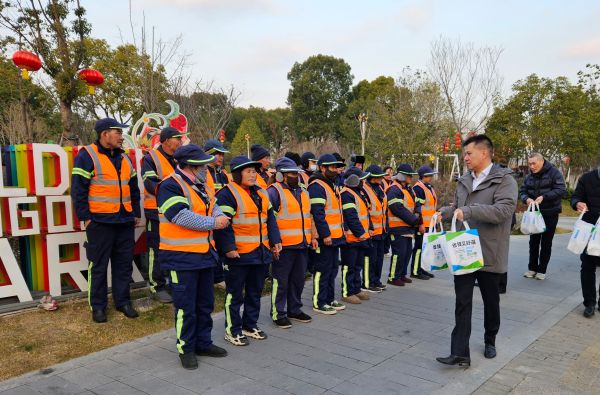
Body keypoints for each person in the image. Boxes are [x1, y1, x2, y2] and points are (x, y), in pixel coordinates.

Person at [436, 135, 517, 367]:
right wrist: (444, 212)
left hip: (490, 251)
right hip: (463, 251)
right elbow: (457, 207)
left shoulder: (504, 180)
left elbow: (503, 211)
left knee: (491, 301)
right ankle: (459, 351)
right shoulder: (463, 180)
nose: (465, 158)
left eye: (469, 153)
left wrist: (470, 211)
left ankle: (490, 339)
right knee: (462, 301)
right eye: (465, 154)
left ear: (484, 153)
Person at [156, 144, 230, 370]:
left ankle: (203, 343)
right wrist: (214, 223)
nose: (207, 167)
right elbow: (180, 216)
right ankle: (186, 349)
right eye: (203, 164)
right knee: (186, 307)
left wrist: (219, 216)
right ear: (190, 165)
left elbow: (214, 206)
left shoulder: (201, 185)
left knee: (205, 304)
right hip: (181, 258)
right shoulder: (170, 185)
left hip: (204, 255)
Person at [71, 118, 141, 323]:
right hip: (100, 223)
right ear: (104, 134)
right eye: (117, 132)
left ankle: (123, 302)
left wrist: (135, 212)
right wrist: (86, 218)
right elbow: (78, 190)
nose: (121, 136)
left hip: (124, 221)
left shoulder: (125, 158)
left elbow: (133, 188)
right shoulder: (87, 155)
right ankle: (98, 307)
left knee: (123, 265)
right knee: (99, 266)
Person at [214, 156, 282, 346]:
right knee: (235, 294)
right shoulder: (227, 194)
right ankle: (232, 330)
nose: (253, 175)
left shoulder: (261, 193)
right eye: (248, 171)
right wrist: (228, 248)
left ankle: (249, 325)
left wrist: (275, 241)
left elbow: (270, 219)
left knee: (255, 292)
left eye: (254, 171)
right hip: (239, 254)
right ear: (237, 174)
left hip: (260, 252)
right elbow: (223, 224)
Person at [267, 157, 315, 328]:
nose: (297, 176)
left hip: (302, 244)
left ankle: (294, 309)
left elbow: (309, 217)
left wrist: (313, 237)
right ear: (282, 175)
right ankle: (278, 313)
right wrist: (274, 243)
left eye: (297, 173)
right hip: (284, 247)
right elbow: (269, 220)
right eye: (293, 174)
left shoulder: (303, 191)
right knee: (281, 281)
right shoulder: (274, 192)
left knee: (298, 280)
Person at [141, 127, 183, 303]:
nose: (180, 142)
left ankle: (173, 284)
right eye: (177, 139)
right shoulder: (150, 158)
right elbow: (150, 183)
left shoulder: (179, 159)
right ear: (166, 140)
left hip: (177, 211)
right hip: (155, 211)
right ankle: (156, 286)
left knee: (174, 248)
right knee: (156, 249)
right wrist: (173, 190)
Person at [308, 154, 346, 315]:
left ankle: (329, 298)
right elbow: (318, 214)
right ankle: (319, 301)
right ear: (322, 168)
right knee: (322, 270)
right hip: (326, 238)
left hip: (335, 236)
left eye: (336, 167)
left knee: (332, 269)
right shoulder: (317, 186)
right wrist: (325, 235)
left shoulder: (331, 184)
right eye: (332, 167)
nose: (336, 170)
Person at [519, 153, 566, 280]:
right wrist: (526, 199)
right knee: (533, 242)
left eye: (534, 163)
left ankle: (542, 270)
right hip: (534, 214)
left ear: (541, 162)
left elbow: (561, 189)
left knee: (546, 242)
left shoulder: (554, 173)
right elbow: (522, 191)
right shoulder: (529, 176)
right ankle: (532, 268)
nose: (531, 166)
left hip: (550, 212)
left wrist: (544, 197)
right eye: (529, 164)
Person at [339, 167, 373, 304]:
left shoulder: (358, 192)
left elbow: (365, 213)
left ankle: (356, 289)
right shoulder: (346, 194)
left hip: (360, 237)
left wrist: (369, 228)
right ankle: (347, 292)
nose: (363, 182)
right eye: (361, 180)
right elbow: (351, 217)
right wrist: (361, 233)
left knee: (358, 265)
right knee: (349, 266)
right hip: (351, 238)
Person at [571, 166, 600, 318]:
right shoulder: (587, 178)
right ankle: (589, 303)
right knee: (588, 266)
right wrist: (577, 203)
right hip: (589, 229)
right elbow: (576, 197)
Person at [385, 164, 420, 287]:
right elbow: (397, 208)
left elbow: (416, 204)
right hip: (397, 228)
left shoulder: (408, 189)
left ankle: (401, 274)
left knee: (406, 253)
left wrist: (417, 216)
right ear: (403, 176)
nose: (411, 177)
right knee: (398, 254)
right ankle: (393, 277)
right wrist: (414, 220)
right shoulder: (394, 189)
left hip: (407, 227)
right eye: (409, 175)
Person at [203, 139, 232, 289]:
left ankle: (221, 275)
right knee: (213, 246)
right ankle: (217, 278)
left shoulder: (223, 174)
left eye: (222, 154)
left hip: (223, 215)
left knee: (221, 245)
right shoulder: (204, 172)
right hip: (209, 215)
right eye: (218, 154)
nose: (221, 157)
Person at [411, 165, 438, 280]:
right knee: (418, 248)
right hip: (422, 224)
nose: (431, 177)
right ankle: (415, 271)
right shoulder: (418, 188)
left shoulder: (428, 187)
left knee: (425, 249)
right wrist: (420, 224)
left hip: (430, 224)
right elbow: (418, 209)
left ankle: (421, 268)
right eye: (429, 175)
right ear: (423, 176)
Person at [363, 165, 387, 291]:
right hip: (371, 231)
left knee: (379, 258)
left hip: (381, 230)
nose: (382, 178)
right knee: (370, 259)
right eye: (380, 176)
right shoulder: (365, 189)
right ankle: (368, 283)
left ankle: (376, 280)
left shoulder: (380, 188)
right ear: (373, 177)